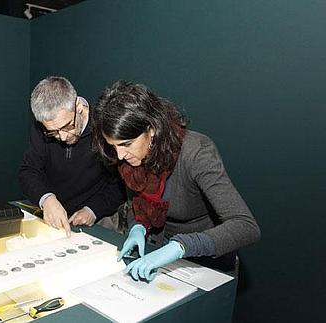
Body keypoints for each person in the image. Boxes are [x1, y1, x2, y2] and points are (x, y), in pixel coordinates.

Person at [92, 81, 261, 281]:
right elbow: (136, 205)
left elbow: (246, 226)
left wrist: (179, 247)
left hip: (205, 263)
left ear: (152, 129)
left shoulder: (196, 152)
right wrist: (137, 225)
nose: (120, 155)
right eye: (114, 146)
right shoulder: (131, 158)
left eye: (126, 144)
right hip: (159, 253)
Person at [19, 76, 125, 235]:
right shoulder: (41, 129)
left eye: (67, 126)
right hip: (55, 213)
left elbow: (120, 184)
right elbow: (28, 171)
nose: (62, 137)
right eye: (53, 132)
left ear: (78, 106)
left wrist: (93, 210)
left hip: (99, 214)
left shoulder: (104, 126)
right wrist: (46, 199)